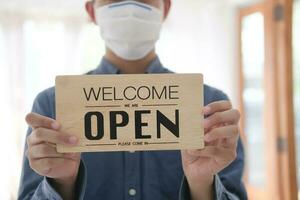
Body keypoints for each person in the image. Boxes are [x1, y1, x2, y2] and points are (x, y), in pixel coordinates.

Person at [18, 0, 247, 199]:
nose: (130, 7)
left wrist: (201, 185)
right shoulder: (52, 105)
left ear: (165, 7)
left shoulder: (208, 106)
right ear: (91, 11)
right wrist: (62, 184)